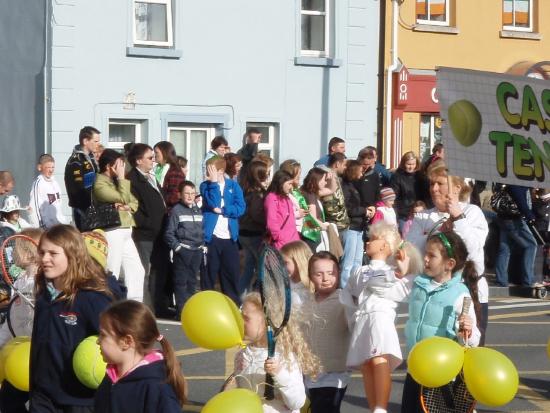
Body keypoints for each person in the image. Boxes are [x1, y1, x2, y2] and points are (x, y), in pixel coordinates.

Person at [30, 224, 113, 411]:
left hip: (80, 401)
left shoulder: (92, 298)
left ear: (73, 254)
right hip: (43, 397)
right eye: (42, 252)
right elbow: (38, 346)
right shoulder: (44, 295)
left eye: (53, 253)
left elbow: (121, 342)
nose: (45, 259)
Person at [405, 160, 489, 344]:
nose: (434, 189)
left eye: (440, 183)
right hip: (434, 293)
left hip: (468, 291)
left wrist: (458, 218)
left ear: (457, 187)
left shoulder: (472, 213)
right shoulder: (423, 217)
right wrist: (438, 232)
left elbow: (473, 250)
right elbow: (412, 253)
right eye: (431, 184)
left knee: (468, 348)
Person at [396, 231, 481, 413]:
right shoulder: (418, 283)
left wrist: (467, 330)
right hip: (415, 369)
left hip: (441, 373)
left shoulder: (459, 294)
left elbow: (472, 341)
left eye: (432, 255)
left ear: (449, 264)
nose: (425, 259)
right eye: (425, 253)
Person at [342, 223, 422, 413]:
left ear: (384, 246)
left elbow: (389, 288)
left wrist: (400, 273)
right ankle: (374, 407)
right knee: (367, 365)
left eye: (373, 239)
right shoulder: (362, 270)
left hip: (379, 318)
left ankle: (381, 407)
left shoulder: (390, 272)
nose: (367, 242)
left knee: (379, 360)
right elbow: (354, 291)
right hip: (362, 319)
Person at [231, 292, 320, 413]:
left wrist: (279, 373)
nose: (240, 322)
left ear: (268, 322)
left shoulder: (285, 357)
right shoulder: (241, 356)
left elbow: (297, 401)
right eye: (240, 316)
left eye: (246, 318)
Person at [95, 300, 187, 413]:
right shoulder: (110, 379)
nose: (98, 341)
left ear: (126, 341)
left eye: (103, 335)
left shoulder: (155, 388)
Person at [93, 149, 145, 302]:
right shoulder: (99, 183)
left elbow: (133, 201)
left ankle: (134, 306)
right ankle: (108, 304)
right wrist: (122, 179)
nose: (123, 168)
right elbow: (123, 197)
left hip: (126, 229)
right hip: (112, 230)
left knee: (137, 270)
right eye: (119, 164)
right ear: (109, 166)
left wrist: (128, 205)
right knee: (112, 270)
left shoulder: (117, 183)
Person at [0, 228, 42, 413]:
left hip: (37, 356)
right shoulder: (19, 282)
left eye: (16, 247)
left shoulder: (44, 284)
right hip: (18, 353)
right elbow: (13, 319)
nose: (13, 252)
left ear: (29, 252)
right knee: (7, 403)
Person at [305, 251, 350, 413]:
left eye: (331, 273)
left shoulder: (344, 300)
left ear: (339, 273)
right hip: (309, 374)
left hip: (333, 375)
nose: (325, 279)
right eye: (319, 274)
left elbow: (356, 321)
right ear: (310, 276)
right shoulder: (307, 301)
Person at [126, 144, 168, 313]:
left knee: (160, 270)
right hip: (145, 234)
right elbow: (134, 209)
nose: (154, 161)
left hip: (160, 232)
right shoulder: (133, 180)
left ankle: (159, 305)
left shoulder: (150, 176)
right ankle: (143, 307)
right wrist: (148, 223)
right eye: (150, 158)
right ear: (138, 161)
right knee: (142, 270)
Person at [200, 156, 246, 305]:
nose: (207, 173)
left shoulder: (233, 186)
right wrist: (213, 183)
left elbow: (241, 208)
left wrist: (224, 210)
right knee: (209, 275)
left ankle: (233, 306)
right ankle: (207, 306)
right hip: (211, 238)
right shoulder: (205, 186)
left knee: (231, 275)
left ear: (221, 170)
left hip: (229, 239)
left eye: (211, 170)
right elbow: (212, 202)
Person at [164, 181, 203, 315]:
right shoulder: (176, 210)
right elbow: (169, 233)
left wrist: (202, 245)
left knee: (192, 282)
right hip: (183, 250)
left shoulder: (197, 209)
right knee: (181, 282)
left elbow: (201, 229)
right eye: (187, 193)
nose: (190, 196)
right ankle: (181, 312)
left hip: (197, 250)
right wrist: (178, 248)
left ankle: (190, 311)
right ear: (180, 194)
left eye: (192, 193)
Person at [494, 183, 539, 288]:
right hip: (514, 219)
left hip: (504, 217)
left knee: (505, 249)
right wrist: (529, 215)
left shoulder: (511, 182)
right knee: (531, 245)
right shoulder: (518, 183)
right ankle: (528, 280)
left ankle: (501, 280)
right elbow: (520, 199)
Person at [341, 160, 373, 287]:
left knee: (357, 261)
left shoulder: (353, 186)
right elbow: (348, 209)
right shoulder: (345, 187)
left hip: (359, 226)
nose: (361, 175)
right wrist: (364, 211)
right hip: (351, 227)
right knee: (348, 262)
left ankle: (355, 286)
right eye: (360, 171)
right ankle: (344, 287)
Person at [238, 160, 269, 294]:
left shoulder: (245, 189)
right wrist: (266, 223)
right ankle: (255, 298)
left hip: (244, 233)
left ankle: (239, 297)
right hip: (254, 233)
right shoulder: (257, 193)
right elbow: (256, 213)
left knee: (248, 268)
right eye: (267, 174)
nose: (268, 176)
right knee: (260, 269)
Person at [64, 126, 100, 230]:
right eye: (95, 141)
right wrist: (88, 206)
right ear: (85, 141)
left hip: (94, 208)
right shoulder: (76, 161)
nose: (98, 144)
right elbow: (78, 188)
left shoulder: (91, 158)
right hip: (83, 210)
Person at [29, 154, 67, 229]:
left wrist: (63, 221)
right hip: (46, 228)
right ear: (40, 167)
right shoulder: (38, 184)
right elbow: (34, 207)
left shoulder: (55, 183)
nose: (51, 170)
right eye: (48, 167)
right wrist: (41, 227)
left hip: (58, 226)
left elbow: (58, 206)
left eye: (53, 167)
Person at [264, 170, 300, 250]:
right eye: (289, 184)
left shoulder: (286, 198)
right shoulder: (271, 198)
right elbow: (271, 222)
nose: (291, 187)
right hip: (282, 243)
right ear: (281, 183)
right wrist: (279, 237)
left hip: (293, 240)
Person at [390, 151, 423, 232]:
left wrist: (423, 206)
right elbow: (394, 198)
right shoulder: (397, 177)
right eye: (408, 164)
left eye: (413, 164)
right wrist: (396, 216)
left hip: (419, 214)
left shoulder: (420, 176)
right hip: (403, 215)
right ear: (403, 163)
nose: (411, 167)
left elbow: (425, 195)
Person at [300, 167, 331, 252]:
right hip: (312, 234)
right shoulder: (309, 195)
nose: (326, 183)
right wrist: (326, 227)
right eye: (324, 180)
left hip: (312, 233)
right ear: (317, 180)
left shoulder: (309, 192)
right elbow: (313, 218)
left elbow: (332, 189)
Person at [320, 153, 350, 237]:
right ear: (337, 164)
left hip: (341, 225)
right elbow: (329, 203)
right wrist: (339, 222)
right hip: (336, 226)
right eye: (344, 165)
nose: (345, 167)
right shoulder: (328, 178)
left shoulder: (336, 178)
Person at [355, 147, 380, 240]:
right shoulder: (353, 173)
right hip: (357, 212)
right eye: (364, 164)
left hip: (371, 211)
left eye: (369, 164)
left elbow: (377, 193)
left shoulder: (374, 174)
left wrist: (374, 207)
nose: (366, 167)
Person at [281, 240, 314, 308]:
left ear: (298, 262)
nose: (282, 266)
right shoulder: (284, 283)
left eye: (285, 263)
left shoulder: (313, 285)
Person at [153, 141, 185, 210]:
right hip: (156, 209)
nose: (154, 155)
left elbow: (175, 196)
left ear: (165, 153)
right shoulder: (155, 169)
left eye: (156, 152)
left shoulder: (175, 172)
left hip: (168, 211)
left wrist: (156, 199)